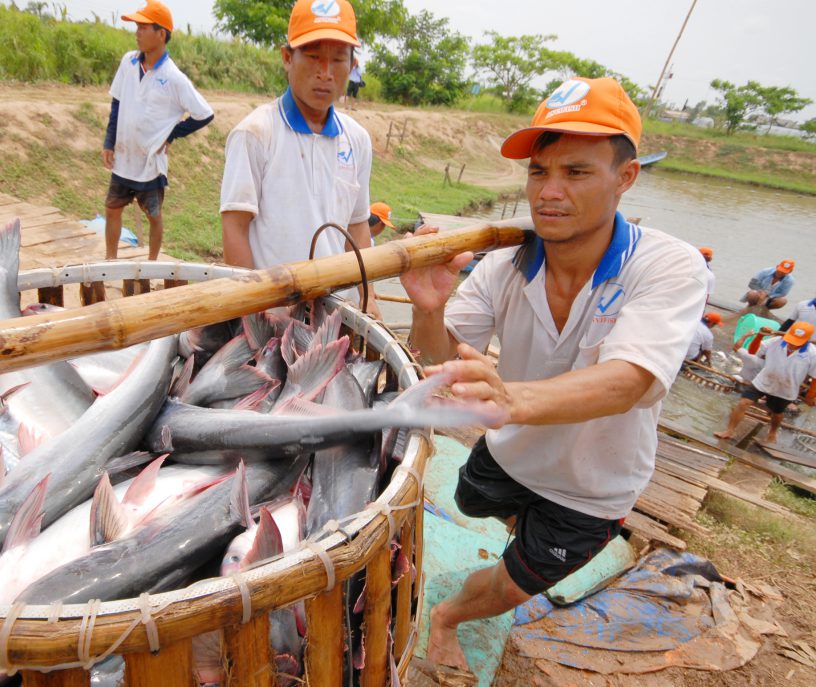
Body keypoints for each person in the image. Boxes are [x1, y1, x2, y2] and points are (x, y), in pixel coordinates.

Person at [399, 77, 708, 669]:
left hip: (591, 486)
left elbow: (630, 380)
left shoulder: (667, 266)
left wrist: (511, 399)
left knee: (513, 586)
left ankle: (447, 617)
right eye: (539, 172)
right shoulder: (504, 265)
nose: (550, 192)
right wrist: (429, 308)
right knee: (468, 498)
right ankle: (522, 527)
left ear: (626, 177)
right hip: (510, 451)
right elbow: (443, 357)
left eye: (577, 172)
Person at [220, 0, 377, 314]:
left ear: (352, 65)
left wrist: (369, 299)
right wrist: (252, 311)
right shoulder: (255, 133)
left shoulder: (357, 139)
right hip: (273, 313)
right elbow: (235, 228)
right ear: (287, 57)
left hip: (335, 313)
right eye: (314, 57)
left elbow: (358, 227)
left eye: (337, 59)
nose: (325, 73)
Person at [103, 0, 214, 261]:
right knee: (112, 209)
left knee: (153, 215)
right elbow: (117, 102)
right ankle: (109, 261)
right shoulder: (128, 62)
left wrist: (171, 134)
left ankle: (152, 264)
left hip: (150, 162)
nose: (137, 33)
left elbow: (204, 113)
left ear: (161, 34)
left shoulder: (174, 77)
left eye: (143, 28)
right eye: (137, 27)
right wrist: (109, 141)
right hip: (124, 157)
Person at [714, 321, 816, 444]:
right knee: (743, 403)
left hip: (786, 388)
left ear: (806, 340)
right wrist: (760, 335)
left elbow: (815, 377)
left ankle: (772, 433)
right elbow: (752, 351)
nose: (792, 345)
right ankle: (729, 431)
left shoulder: (812, 353)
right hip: (763, 380)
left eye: (797, 343)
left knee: (777, 413)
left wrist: (811, 396)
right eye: (791, 340)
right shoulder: (776, 341)